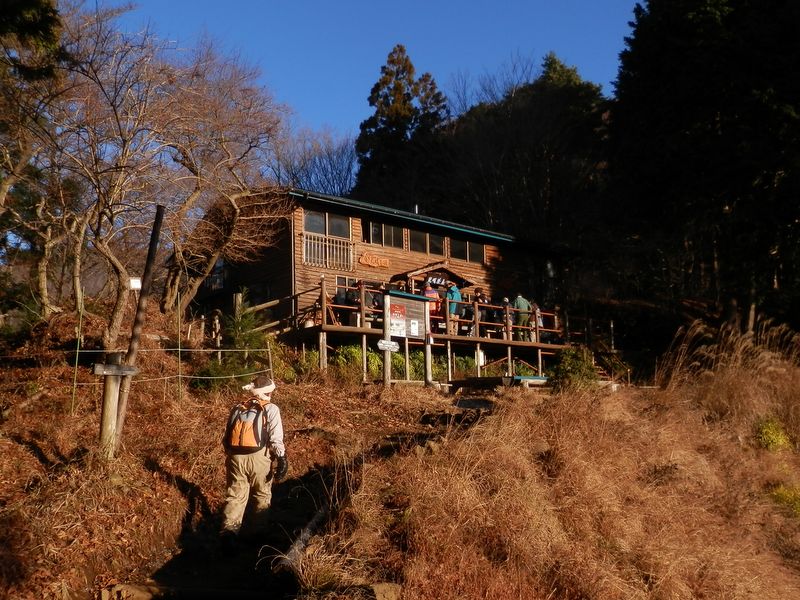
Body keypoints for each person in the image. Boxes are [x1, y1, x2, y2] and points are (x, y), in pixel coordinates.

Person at [221, 376, 288, 540]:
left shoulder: (238, 408)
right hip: (259, 458)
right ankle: (258, 535)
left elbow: (226, 437)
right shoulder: (271, 409)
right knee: (262, 494)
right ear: (268, 392)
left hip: (235, 457)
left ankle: (229, 532)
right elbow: (275, 438)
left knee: (235, 496)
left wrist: (231, 456)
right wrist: (282, 458)